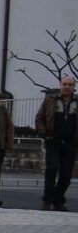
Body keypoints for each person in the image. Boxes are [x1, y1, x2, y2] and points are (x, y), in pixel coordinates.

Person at [35, 75, 77, 211]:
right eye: (64, 84)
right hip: (53, 141)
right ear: (60, 85)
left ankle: (57, 199)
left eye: (70, 84)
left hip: (71, 143)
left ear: (74, 87)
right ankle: (47, 200)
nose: (67, 87)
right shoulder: (50, 100)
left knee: (66, 175)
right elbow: (39, 118)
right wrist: (44, 134)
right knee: (51, 169)